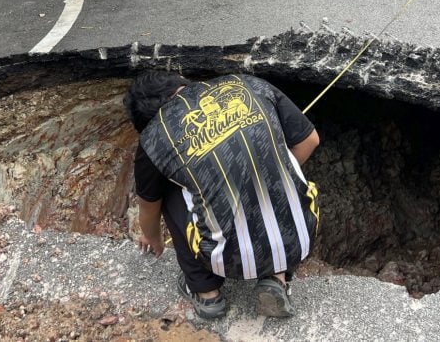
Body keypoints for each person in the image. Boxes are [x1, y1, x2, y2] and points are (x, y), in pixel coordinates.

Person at [125, 70, 320, 320]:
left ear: (147, 120)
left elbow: (149, 207)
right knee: (272, 171)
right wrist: (271, 175)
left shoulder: (154, 136)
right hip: (300, 236)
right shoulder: (249, 84)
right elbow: (310, 141)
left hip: (226, 258)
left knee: (169, 189)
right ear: (181, 81)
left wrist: (153, 238)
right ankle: (276, 277)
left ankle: (207, 293)